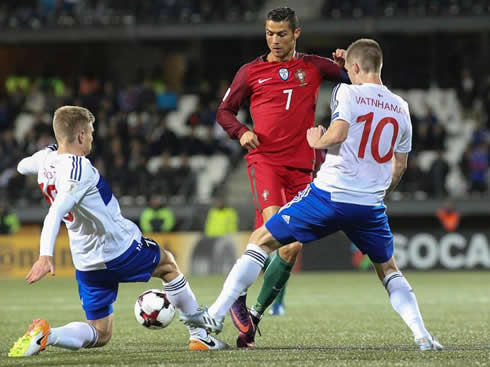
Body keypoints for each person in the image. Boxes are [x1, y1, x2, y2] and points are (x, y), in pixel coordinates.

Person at [181, 39, 444, 352]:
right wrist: (377, 195)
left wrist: (318, 140)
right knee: (388, 270)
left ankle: (214, 316)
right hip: (370, 205)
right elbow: (398, 167)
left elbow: (340, 133)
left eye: (348, 68)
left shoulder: (346, 91)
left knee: (262, 239)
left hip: (329, 196)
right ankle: (422, 336)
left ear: (355, 68)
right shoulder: (401, 106)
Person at [8, 106, 227, 358]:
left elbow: (23, 166)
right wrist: (45, 255)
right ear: (80, 135)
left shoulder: (47, 160)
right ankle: (200, 336)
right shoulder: (79, 168)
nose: (92, 137)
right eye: (90, 132)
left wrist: (48, 154)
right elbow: (56, 211)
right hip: (117, 248)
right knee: (167, 265)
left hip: (86, 260)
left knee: (100, 333)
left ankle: (47, 335)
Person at [216, 6, 350, 347]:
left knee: (290, 248)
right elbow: (224, 111)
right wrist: (241, 132)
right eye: (270, 34)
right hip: (266, 162)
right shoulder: (250, 72)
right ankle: (235, 294)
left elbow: (358, 80)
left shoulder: (314, 66)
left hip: (302, 168)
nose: (274, 40)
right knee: (275, 232)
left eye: (281, 34)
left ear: (296, 34)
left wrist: (348, 63)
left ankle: (253, 315)